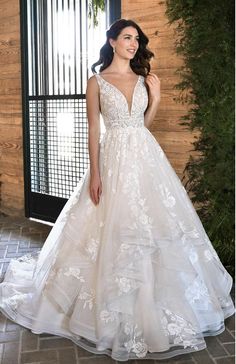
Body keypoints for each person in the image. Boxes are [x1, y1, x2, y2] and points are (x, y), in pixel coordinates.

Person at [0, 18, 234, 362]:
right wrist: (96, 175)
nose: (133, 44)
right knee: (110, 228)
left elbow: (143, 124)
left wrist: (155, 98)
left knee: (155, 229)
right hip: (112, 160)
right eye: (127, 38)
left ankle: (154, 302)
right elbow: (95, 131)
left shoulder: (144, 79)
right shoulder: (96, 81)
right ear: (112, 41)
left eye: (137, 39)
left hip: (146, 158)